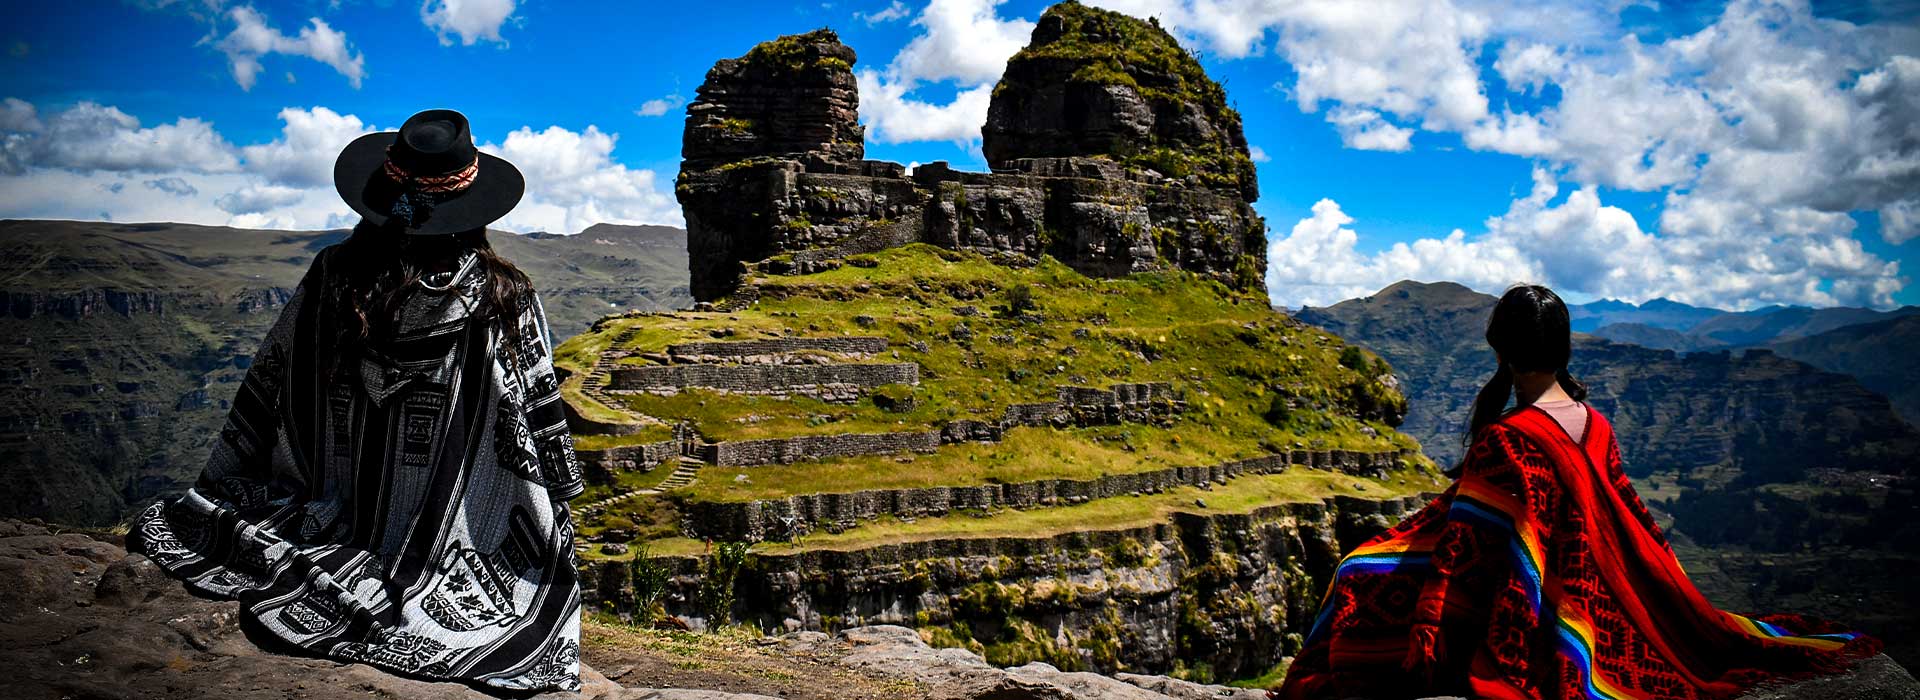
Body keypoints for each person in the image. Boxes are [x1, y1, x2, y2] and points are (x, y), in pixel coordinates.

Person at [128, 109, 587, 692]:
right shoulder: (504, 295)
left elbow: (273, 380)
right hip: (452, 524)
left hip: (329, 495)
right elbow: (536, 415)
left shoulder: (333, 275)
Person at [1275, 285, 1882, 699]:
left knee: (1358, 571)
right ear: (1562, 345)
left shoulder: (1509, 438)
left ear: (1501, 347)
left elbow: (1464, 550)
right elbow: (1630, 522)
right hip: (1583, 587)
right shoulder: (1596, 423)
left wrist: (1416, 592)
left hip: (1527, 596)